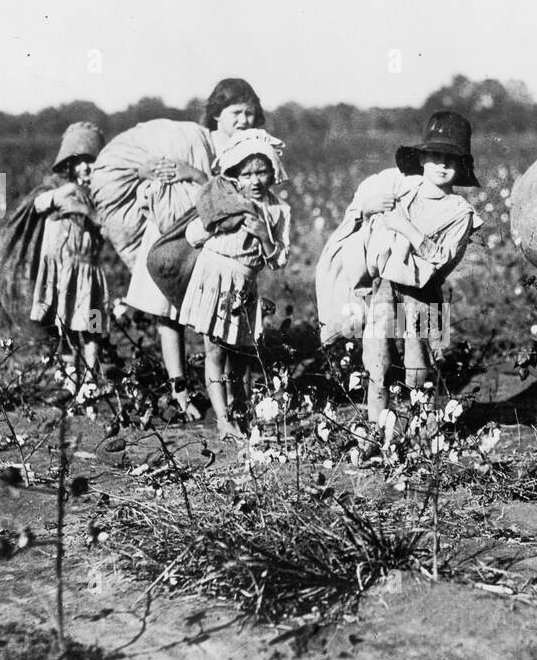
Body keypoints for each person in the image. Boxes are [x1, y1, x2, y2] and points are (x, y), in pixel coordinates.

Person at [91, 78, 264, 417]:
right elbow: (142, 164)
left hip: (211, 239)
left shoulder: (245, 153)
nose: (243, 120)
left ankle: (227, 396)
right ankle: (180, 393)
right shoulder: (192, 139)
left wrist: (194, 173)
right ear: (216, 114)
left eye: (250, 113)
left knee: (216, 316)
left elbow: (228, 196)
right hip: (171, 232)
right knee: (168, 315)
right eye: (236, 112)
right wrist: (162, 170)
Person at [318, 111, 482, 451]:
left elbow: (440, 259)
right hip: (384, 290)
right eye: (435, 156)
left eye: (450, 159)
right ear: (422, 159)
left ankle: (425, 438)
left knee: (420, 369)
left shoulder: (460, 212)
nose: (441, 165)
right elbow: (364, 226)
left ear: (461, 165)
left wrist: (404, 226)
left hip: (424, 295)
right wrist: (369, 210)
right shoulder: (403, 189)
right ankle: (377, 435)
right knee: (376, 363)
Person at [177, 130, 291, 439]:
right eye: (247, 173)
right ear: (235, 176)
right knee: (214, 352)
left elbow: (279, 260)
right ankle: (222, 419)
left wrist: (264, 236)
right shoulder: (225, 202)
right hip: (215, 279)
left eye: (262, 171)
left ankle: (239, 411)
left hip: (244, 285)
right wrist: (215, 222)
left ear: (273, 172)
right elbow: (193, 235)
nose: (255, 180)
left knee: (241, 356)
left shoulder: (278, 211)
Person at [28, 122, 109, 403]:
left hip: (88, 270)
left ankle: (90, 379)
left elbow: (111, 229)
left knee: (93, 325)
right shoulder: (58, 190)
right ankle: (70, 377)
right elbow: (37, 204)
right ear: (70, 165)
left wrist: (85, 210)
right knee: (66, 323)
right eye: (80, 163)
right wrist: (59, 197)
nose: (86, 168)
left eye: (92, 162)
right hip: (63, 271)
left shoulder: (103, 194)